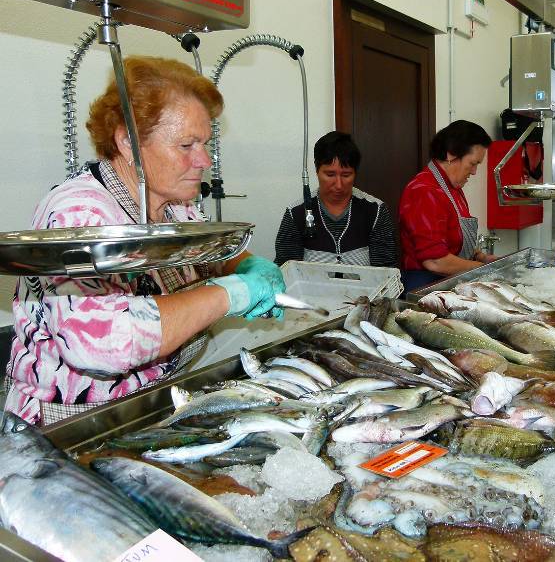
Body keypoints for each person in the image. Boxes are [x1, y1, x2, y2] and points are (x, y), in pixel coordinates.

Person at [3, 57, 285, 426]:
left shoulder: (177, 207)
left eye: (205, 143)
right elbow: (104, 341)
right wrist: (230, 294)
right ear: (127, 141)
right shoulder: (79, 215)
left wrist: (246, 264)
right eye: (186, 145)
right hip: (74, 423)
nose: (203, 160)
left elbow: (215, 255)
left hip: (152, 402)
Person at [274, 132, 398, 268]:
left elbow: (386, 271)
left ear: (355, 173)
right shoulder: (296, 213)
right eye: (330, 174)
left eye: (346, 175)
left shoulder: (375, 211)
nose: (338, 185)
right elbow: (285, 269)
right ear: (317, 170)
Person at [398, 120, 496, 290]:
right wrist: (484, 270)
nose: (474, 172)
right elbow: (435, 261)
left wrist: (481, 257)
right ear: (451, 155)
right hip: (427, 287)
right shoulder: (424, 191)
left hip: (450, 282)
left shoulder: (453, 188)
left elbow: (453, 242)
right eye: (473, 163)